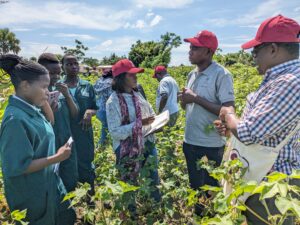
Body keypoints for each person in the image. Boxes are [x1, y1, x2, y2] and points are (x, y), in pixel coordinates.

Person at [216, 15, 300, 225]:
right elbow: (262, 127)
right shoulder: (280, 78)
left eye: (255, 51)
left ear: (272, 49)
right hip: (261, 176)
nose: (253, 57)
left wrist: (228, 114)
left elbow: (249, 132)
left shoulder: (290, 82)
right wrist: (231, 127)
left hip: (271, 186)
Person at [0, 54, 76, 225]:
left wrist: (43, 101)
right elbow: (18, 167)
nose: (48, 92)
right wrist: (57, 158)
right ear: (25, 86)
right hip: (33, 195)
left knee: (67, 217)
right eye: (44, 87)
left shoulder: (31, 108)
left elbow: (50, 122)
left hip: (49, 183)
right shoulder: (16, 121)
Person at [178, 30, 235, 215]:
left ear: (209, 52)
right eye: (190, 46)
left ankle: (211, 217)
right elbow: (188, 105)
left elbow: (228, 110)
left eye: (195, 47)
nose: (190, 50)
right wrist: (185, 100)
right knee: (195, 185)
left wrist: (195, 98)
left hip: (211, 144)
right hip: (190, 140)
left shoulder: (222, 75)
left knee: (211, 187)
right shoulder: (191, 75)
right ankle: (198, 215)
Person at [106, 59, 161, 215]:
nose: (136, 77)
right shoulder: (113, 102)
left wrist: (157, 123)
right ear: (122, 77)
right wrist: (139, 124)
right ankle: (132, 214)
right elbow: (115, 132)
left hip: (147, 142)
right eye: (132, 75)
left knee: (153, 177)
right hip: (126, 149)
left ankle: (157, 210)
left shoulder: (137, 94)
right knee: (129, 182)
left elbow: (150, 113)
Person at [38, 53, 79, 192]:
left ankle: (70, 205)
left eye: (58, 73)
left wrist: (67, 95)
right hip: (48, 146)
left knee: (70, 177)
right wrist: (48, 112)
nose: (56, 76)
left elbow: (75, 114)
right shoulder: (35, 94)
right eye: (51, 73)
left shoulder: (62, 88)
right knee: (52, 180)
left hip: (66, 141)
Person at [61, 54, 98, 195]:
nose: (73, 66)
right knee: (66, 164)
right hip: (64, 132)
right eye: (69, 64)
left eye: (75, 63)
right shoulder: (57, 86)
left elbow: (95, 106)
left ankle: (90, 198)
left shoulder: (87, 86)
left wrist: (89, 112)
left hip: (83, 131)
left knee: (86, 162)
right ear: (62, 67)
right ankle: (70, 199)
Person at [94, 66, 113, 146]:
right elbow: (112, 98)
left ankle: (103, 144)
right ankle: (101, 145)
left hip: (99, 108)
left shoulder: (98, 81)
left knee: (105, 126)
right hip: (107, 110)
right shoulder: (111, 82)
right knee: (106, 128)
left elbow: (94, 91)